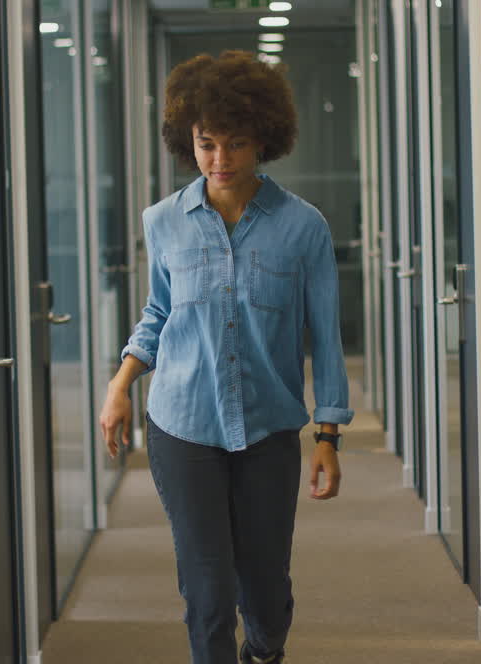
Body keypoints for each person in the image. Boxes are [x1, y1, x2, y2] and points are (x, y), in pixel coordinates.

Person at [97, 50, 353, 664]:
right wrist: (121, 381)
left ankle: (263, 651)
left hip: (267, 426)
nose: (220, 160)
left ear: (263, 139)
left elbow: (327, 333)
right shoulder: (163, 222)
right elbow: (159, 313)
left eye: (235, 144)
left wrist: (328, 435)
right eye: (206, 144)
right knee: (207, 589)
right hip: (183, 423)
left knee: (264, 594)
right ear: (189, 140)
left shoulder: (303, 227)